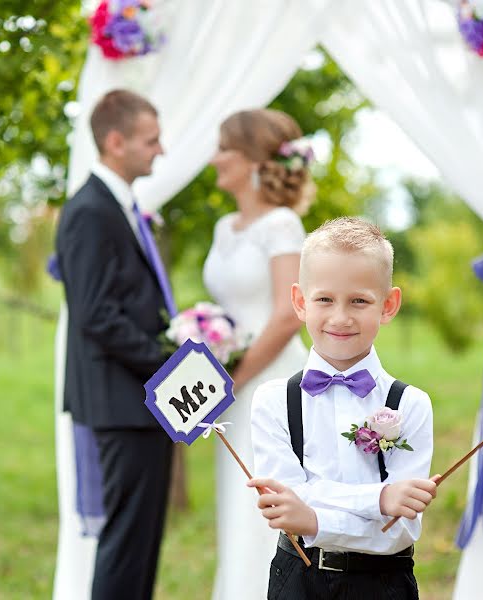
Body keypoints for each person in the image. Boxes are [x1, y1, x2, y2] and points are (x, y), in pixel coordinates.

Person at [247, 217, 439, 599]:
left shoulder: (411, 405)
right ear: (300, 302)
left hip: (383, 584)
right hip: (297, 580)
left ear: (388, 305)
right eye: (324, 299)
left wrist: (314, 516)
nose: (340, 317)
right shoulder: (272, 401)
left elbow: (398, 531)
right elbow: (287, 505)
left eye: (359, 300)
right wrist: (379, 499)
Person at [55, 89, 175, 600]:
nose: (162, 150)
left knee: (142, 542)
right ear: (115, 140)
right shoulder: (90, 211)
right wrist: (169, 364)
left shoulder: (119, 205)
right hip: (121, 400)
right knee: (125, 545)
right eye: (151, 140)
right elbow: (95, 314)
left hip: (138, 400)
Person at [202, 108, 314, 600]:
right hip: (233, 381)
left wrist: (233, 378)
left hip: (271, 380)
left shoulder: (282, 224)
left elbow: (289, 313)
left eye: (224, 147)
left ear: (251, 160)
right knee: (238, 500)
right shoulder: (226, 225)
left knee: (269, 501)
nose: (214, 158)